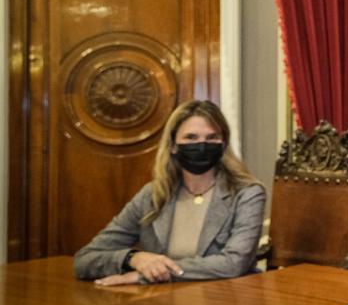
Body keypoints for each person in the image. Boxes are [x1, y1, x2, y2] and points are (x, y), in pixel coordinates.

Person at [74, 100, 265, 285]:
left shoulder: (247, 194)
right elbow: (85, 259)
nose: (201, 145)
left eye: (212, 138)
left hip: (227, 301)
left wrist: (149, 275)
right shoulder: (153, 195)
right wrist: (133, 259)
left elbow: (233, 264)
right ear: (173, 146)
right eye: (191, 138)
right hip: (162, 303)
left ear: (223, 145)